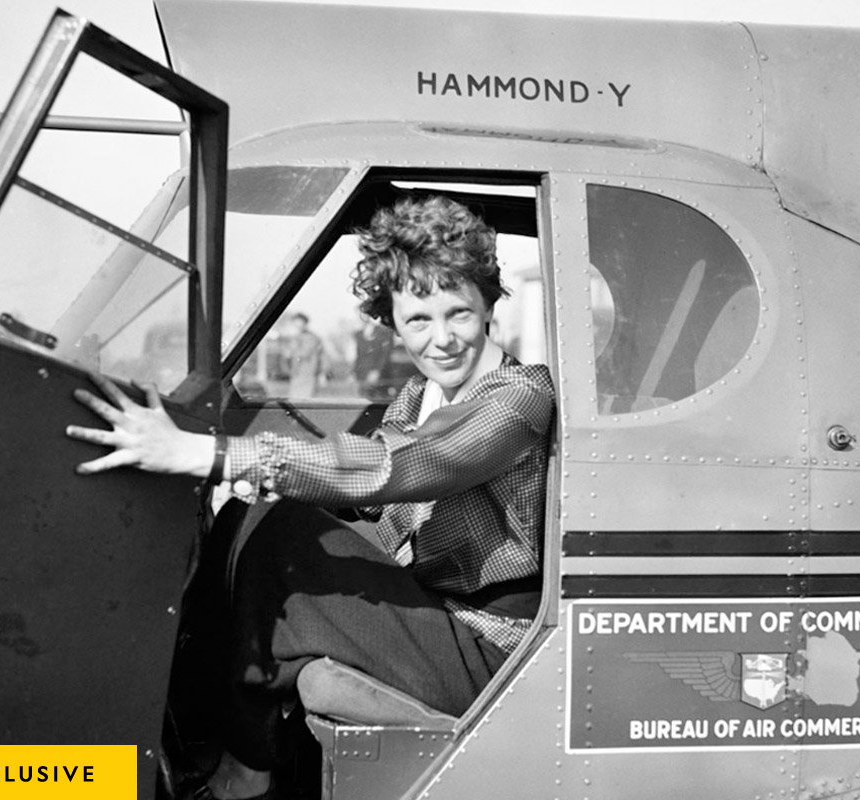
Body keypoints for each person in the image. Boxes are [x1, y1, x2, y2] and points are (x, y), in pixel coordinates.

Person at [66, 195, 554, 800]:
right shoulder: (416, 398)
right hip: (434, 614)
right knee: (253, 514)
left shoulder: (520, 396)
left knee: (285, 534)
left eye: (459, 314)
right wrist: (251, 484)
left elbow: (401, 466)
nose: (443, 339)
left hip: (491, 648)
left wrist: (213, 453)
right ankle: (179, 743)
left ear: (489, 310)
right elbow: (371, 499)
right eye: (419, 321)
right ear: (394, 324)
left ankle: (246, 772)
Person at [282, 312, 323, 398]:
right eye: (296, 325)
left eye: (300, 325)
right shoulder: (295, 338)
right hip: (296, 374)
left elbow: (304, 353)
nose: (298, 327)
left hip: (307, 375)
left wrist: (291, 351)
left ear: (305, 324)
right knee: (294, 400)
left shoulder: (311, 338)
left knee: (305, 401)